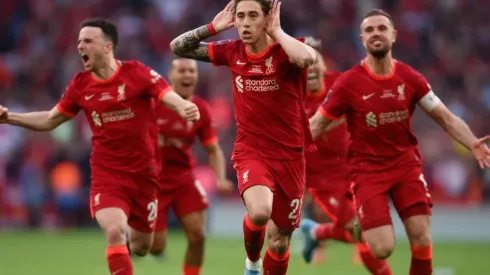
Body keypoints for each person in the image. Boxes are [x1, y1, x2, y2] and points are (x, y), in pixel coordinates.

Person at [0, 18, 199, 275]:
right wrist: (10, 117)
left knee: (140, 247)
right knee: (114, 230)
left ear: (107, 47)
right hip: (108, 174)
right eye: (79, 41)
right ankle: (119, 240)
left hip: (145, 176)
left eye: (88, 41)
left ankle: (129, 241)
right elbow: (50, 119)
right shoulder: (80, 85)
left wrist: (183, 106)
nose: (80, 46)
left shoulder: (137, 73)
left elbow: (166, 94)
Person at [309, 9, 490, 275]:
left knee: (421, 237)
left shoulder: (410, 77)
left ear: (393, 36)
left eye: (382, 28)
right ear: (362, 39)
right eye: (369, 30)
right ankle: (320, 232)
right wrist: (283, 154)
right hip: (366, 171)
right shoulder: (348, 83)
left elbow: (445, 117)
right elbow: (315, 125)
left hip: (406, 167)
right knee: (381, 248)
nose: (376, 34)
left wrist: (473, 141)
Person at [169, 0, 317, 274]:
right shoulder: (232, 51)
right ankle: (252, 262)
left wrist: (278, 32)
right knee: (260, 212)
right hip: (252, 151)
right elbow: (178, 47)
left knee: (281, 240)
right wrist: (213, 27)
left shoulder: (286, 50)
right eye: (240, 17)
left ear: (266, 19)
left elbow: (308, 59)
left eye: (252, 16)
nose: (245, 23)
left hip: (291, 156)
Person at [300, 50, 392, 274]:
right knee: (362, 231)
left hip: (354, 166)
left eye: (315, 63)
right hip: (322, 179)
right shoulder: (294, 98)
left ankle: (317, 233)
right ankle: (317, 233)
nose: (311, 68)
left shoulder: (339, 84)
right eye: (305, 67)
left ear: (324, 66)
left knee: (371, 228)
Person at [149, 57, 234, 275]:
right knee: (154, 246)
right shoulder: (152, 104)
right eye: (182, 71)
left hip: (183, 177)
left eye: (192, 71)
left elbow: (213, 150)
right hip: (152, 180)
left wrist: (221, 178)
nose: (187, 75)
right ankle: (136, 237)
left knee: (198, 235)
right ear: (170, 75)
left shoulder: (201, 109)